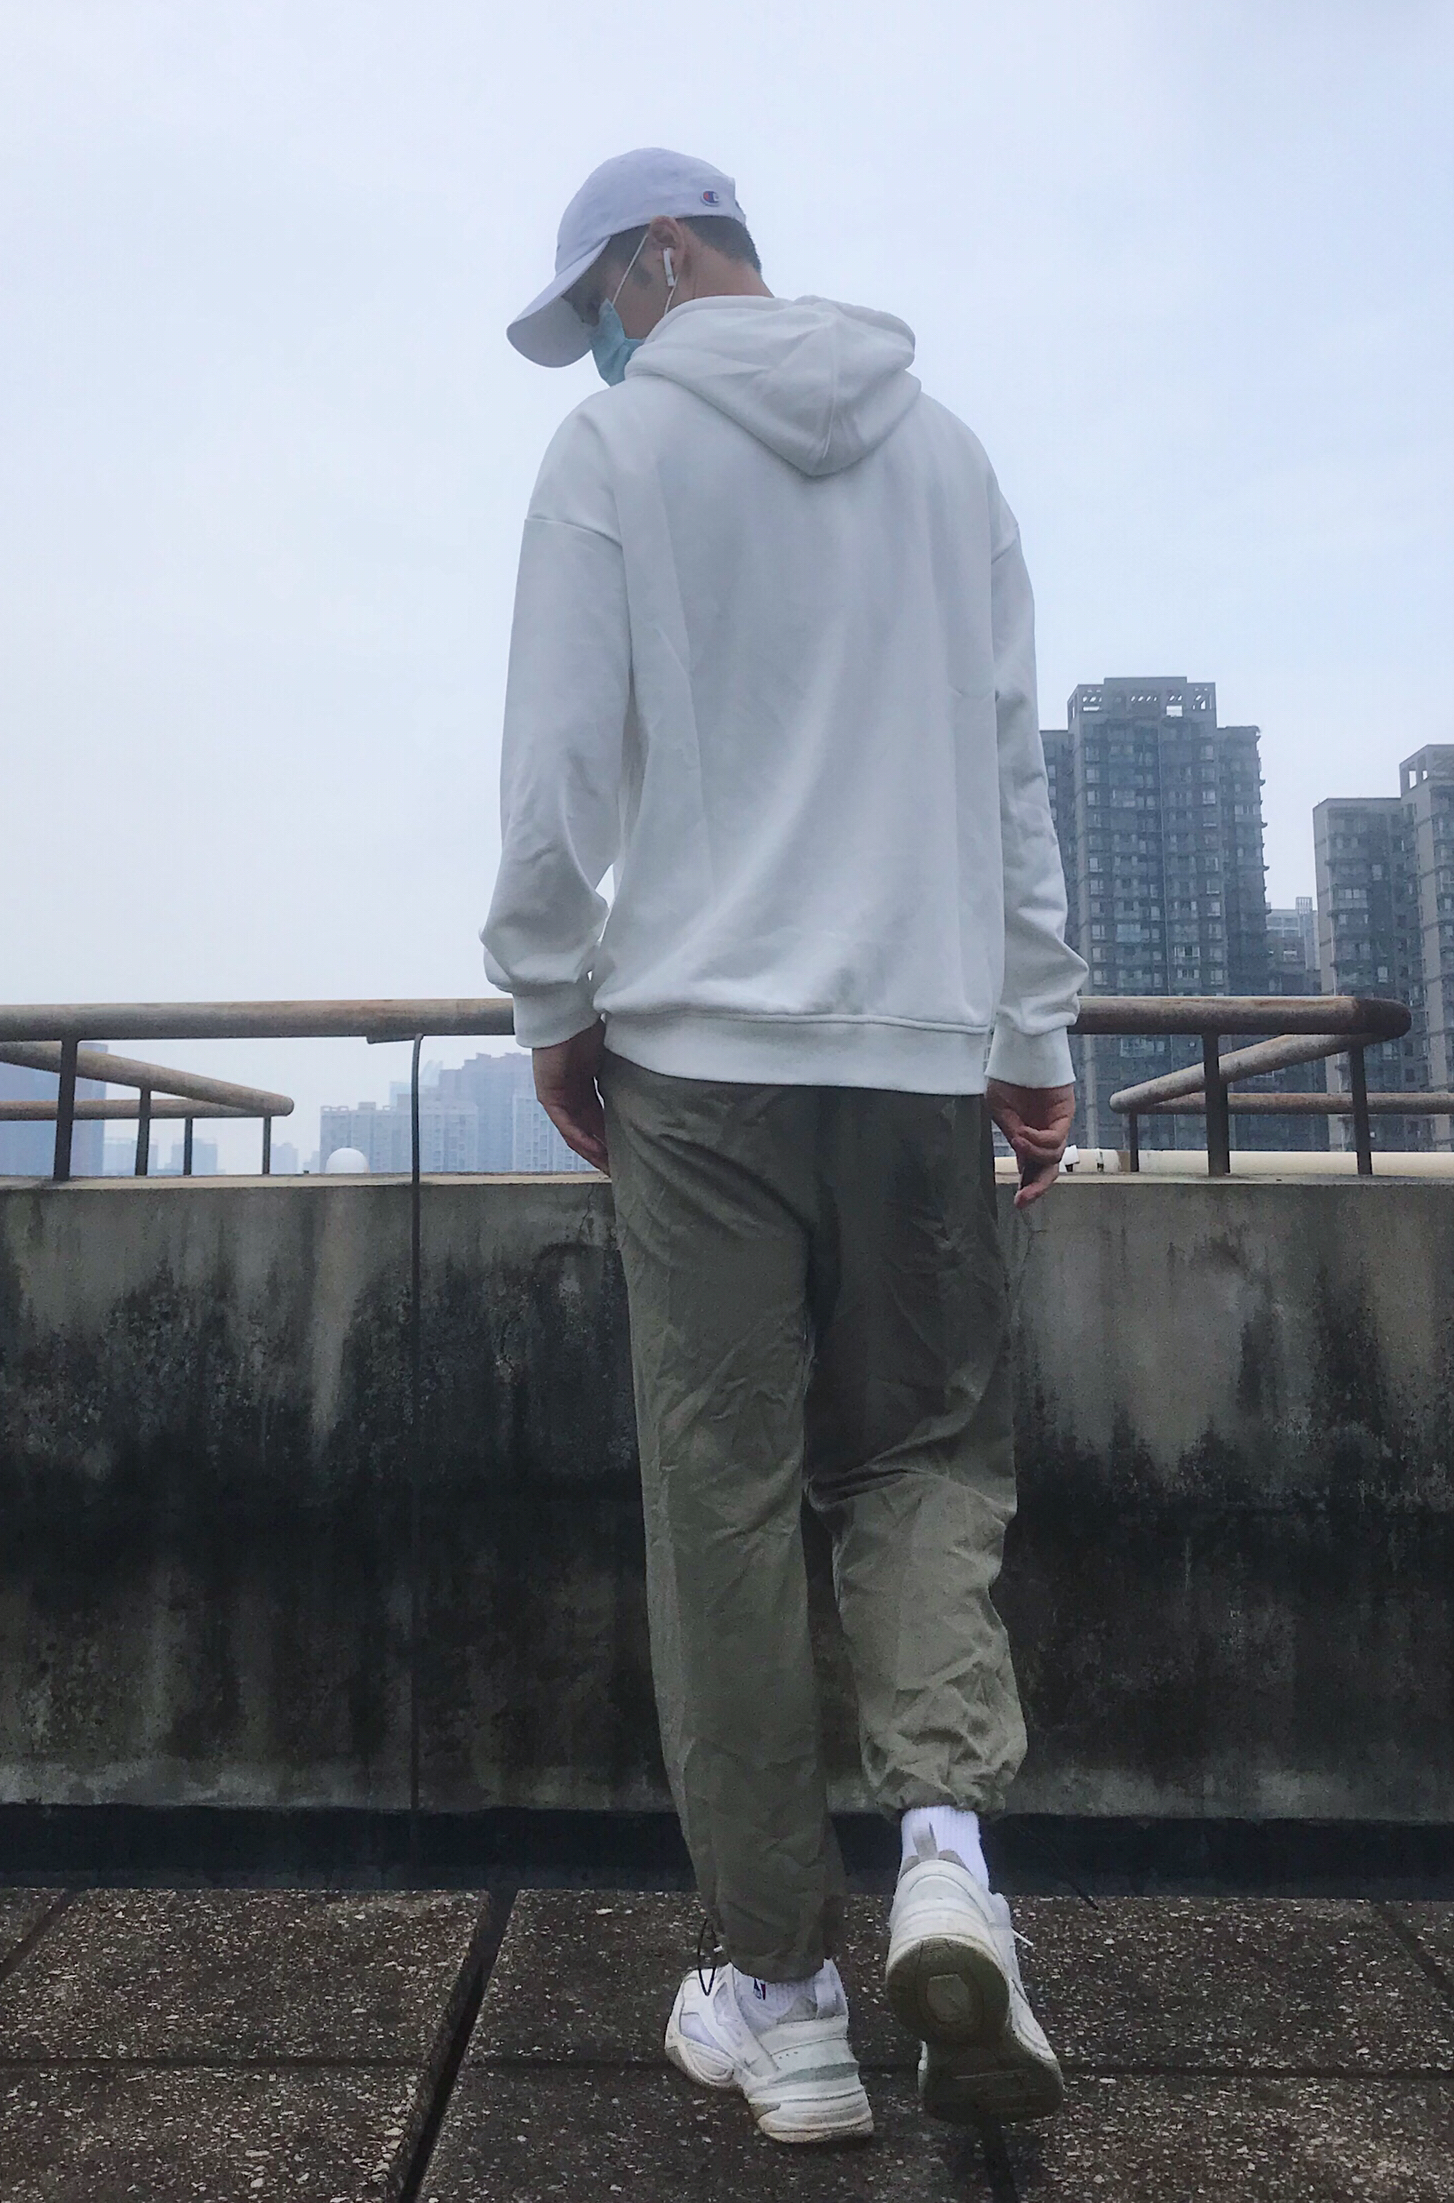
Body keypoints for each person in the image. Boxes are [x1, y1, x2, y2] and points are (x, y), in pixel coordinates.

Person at [483, 147, 1084, 2146]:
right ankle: (946, 1864)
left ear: (664, 253)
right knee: (926, 1462)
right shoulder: (950, 456)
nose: (603, 346)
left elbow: (559, 772)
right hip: (916, 1057)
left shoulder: (615, 453)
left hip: (700, 1065)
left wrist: (551, 999)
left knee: (725, 1510)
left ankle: (785, 2001)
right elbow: (1008, 768)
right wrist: (1032, 1033)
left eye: (601, 304)